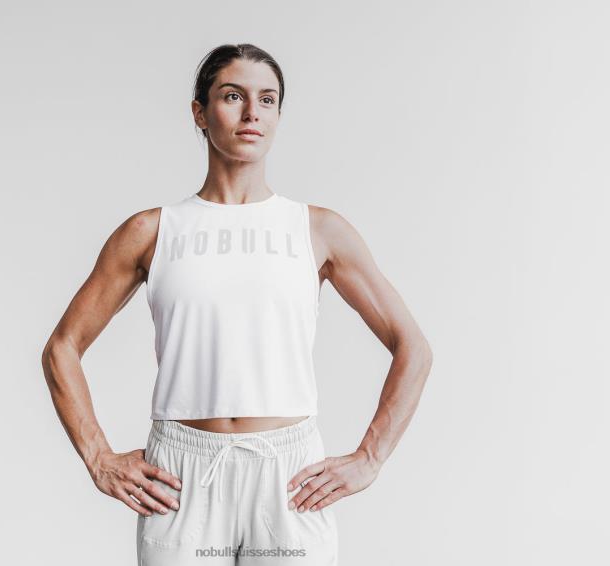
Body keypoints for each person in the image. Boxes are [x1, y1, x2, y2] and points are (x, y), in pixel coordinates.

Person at [41, 43, 433, 565]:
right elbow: (62, 347)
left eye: (267, 99)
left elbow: (413, 347)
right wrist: (98, 457)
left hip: (288, 476)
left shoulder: (318, 230)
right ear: (200, 113)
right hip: (183, 476)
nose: (252, 112)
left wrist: (370, 457)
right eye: (233, 96)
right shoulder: (152, 231)